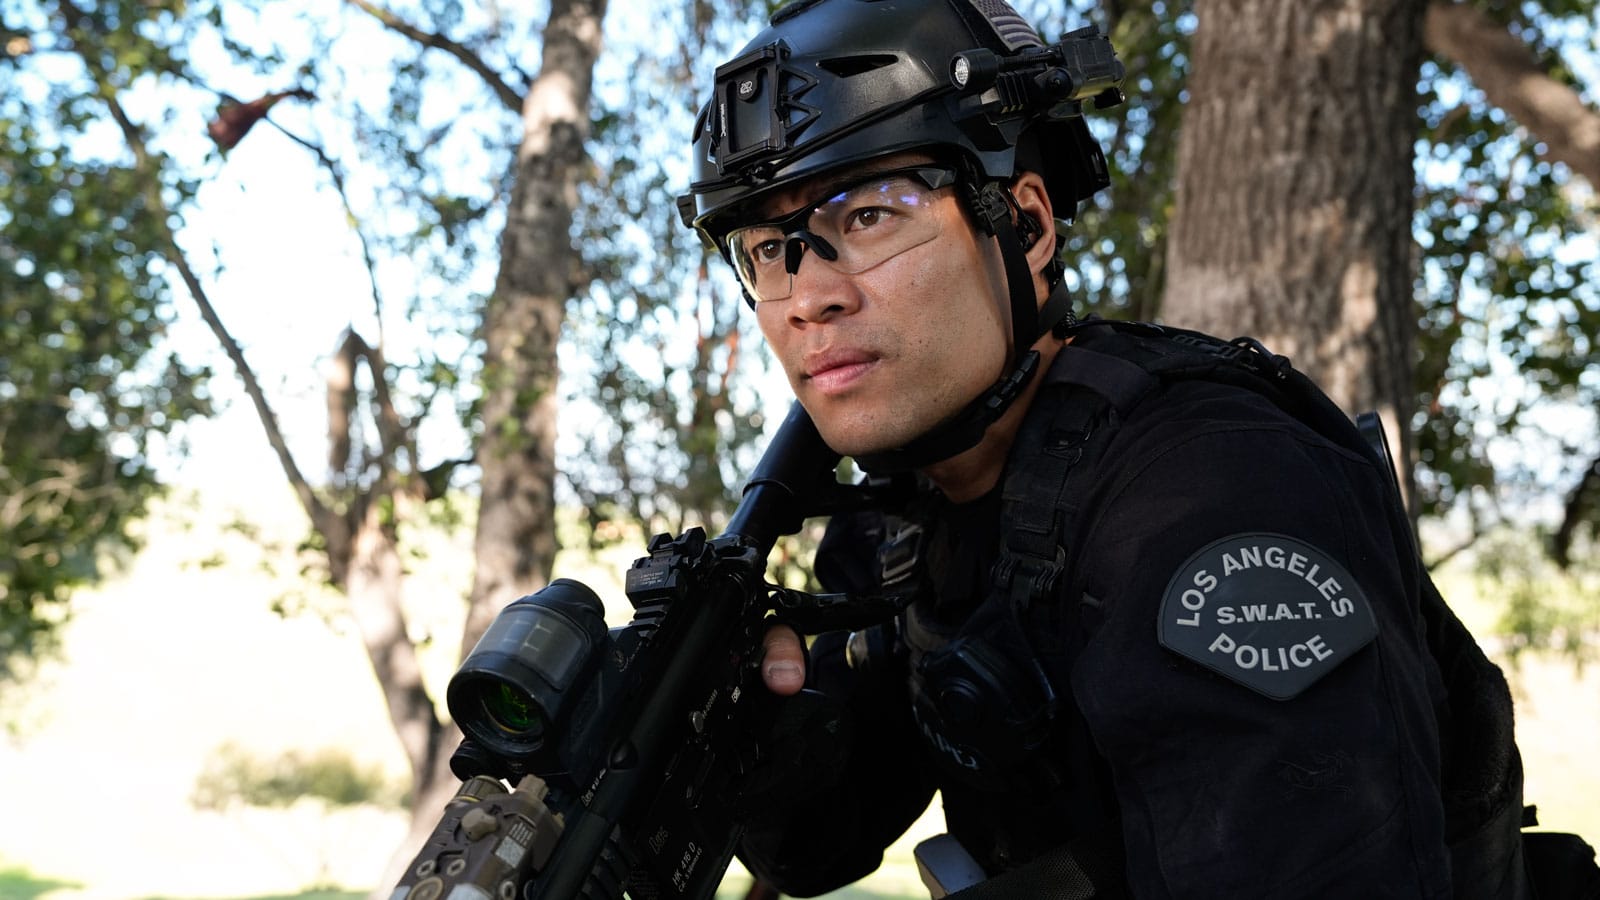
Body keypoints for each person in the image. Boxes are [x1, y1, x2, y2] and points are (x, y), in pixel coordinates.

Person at [675, 1, 1542, 897]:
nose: (807, 296)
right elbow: (817, 842)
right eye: (766, 248)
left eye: (867, 216)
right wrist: (736, 718)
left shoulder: (1208, 492)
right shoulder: (903, 515)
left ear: (1026, 225)